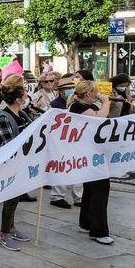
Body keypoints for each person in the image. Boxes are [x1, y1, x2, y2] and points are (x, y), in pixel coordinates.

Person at [0, 77, 33, 251]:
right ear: (17, 99)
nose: (27, 95)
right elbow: (9, 146)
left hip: (20, 162)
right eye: (25, 93)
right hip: (8, 165)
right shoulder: (3, 118)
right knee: (10, 198)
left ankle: (11, 228)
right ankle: (4, 234)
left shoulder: (20, 113)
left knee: (15, 197)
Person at [68, 81, 114, 245]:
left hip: (91, 153)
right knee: (100, 190)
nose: (98, 94)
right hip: (90, 155)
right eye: (95, 92)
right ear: (88, 94)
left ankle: (86, 222)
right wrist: (106, 102)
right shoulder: (79, 108)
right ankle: (98, 230)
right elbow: (100, 119)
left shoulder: (84, 107)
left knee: (91, 189)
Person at [49, 74, 82, 209]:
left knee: (79, 167)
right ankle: (57, 196)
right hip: (61, 140)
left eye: (72, 88)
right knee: (61, 168)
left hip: (76, 139)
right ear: (60, 91)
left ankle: (78, 197)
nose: (70, 91)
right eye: (67, 89)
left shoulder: (76, 103)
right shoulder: (55, 104)